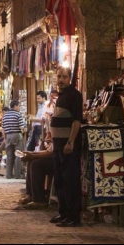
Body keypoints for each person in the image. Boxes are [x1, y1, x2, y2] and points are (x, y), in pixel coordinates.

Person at [49, 66, 83, 227]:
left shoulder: (74, 96)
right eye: (59, 77)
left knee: (70, 181)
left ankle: (74, 217)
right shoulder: (60, 96)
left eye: (64, 77)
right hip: (57, 145)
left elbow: (77, 121)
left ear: (70, 79)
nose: (61, 80)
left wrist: (70, 142)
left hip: (68, 146)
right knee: (60, 180)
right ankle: (63, 213)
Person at [13, 140, 54, 210]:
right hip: (54, 157)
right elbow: (48, 151)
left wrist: (33, 155)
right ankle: (31, 194)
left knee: (36, 164)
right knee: (31, 161)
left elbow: (53, 153)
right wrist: (31, 153)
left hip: (60, 161)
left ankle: (39, 199)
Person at [1, 99, 25, 179]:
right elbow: (22, 127)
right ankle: (18, 175)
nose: (19, 108)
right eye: (18, 106)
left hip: (8, 136)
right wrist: (24, 130)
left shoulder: (5, 115)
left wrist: (5, 138)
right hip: (17, 135)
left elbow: (3, 129)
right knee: (18, 154)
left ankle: (8, 175)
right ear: (14, 106)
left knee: (9, 156)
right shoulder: (18, 115)